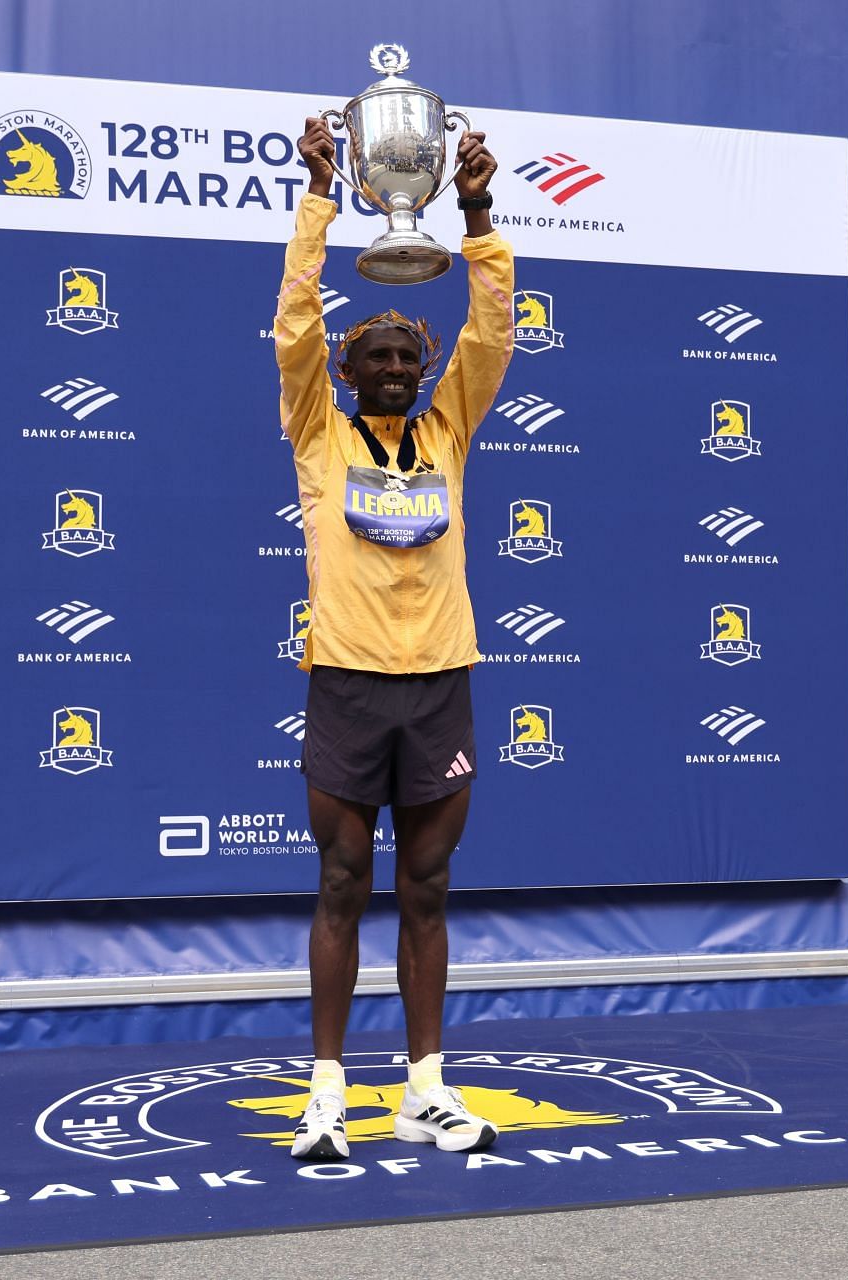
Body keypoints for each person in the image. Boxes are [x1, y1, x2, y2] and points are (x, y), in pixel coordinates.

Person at [272, 116, 513, 1157]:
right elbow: (291, 328)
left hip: (441, 682)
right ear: (346, 366)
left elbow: (493, 331)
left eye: (406, 354)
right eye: (373, 354)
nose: (393, 368)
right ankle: (326, 1090)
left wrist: (476, 214)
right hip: (350, 683)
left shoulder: (449, 426)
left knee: (427, 885)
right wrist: (320, 199)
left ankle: (424, 1087)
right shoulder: (317, 429)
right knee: (339, 881)